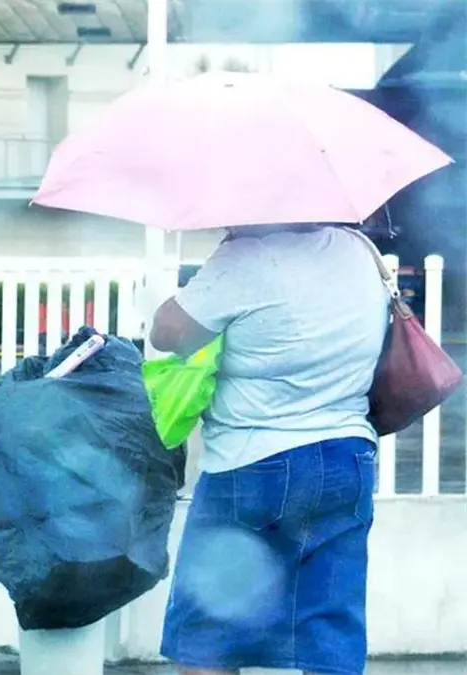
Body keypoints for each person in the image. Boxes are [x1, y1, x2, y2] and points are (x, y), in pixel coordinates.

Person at [149, 223, 388, 675]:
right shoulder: (358, 251)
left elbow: (168, 332)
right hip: (346, 458)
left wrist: (216, 264)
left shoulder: (245, 260)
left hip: (251, 465)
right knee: (329, 634)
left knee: (209, 632)